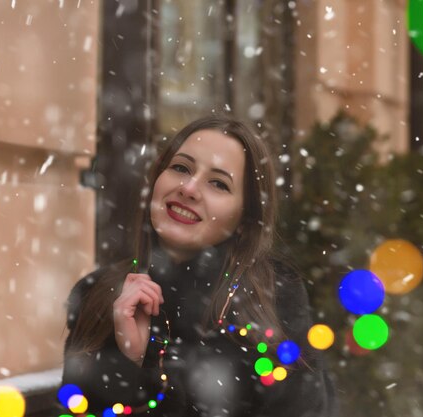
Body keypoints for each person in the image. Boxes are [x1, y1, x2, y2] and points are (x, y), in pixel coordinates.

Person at [58, 115, 338, 416]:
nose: (189, 188)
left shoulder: (273, 297)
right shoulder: (98, 294)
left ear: (245, 219)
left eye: (218, 183)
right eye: (181, 168)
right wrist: (131, 363)